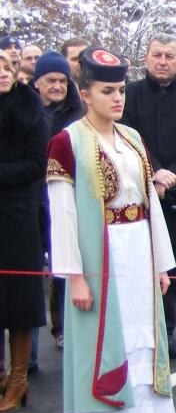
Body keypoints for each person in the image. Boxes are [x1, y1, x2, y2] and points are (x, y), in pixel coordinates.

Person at [46, 47, 176, 413]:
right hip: (101, 259)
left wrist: (161, 261)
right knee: (109, 348)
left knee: (142, 345)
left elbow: (149, 205)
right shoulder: (67, 142)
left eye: (121, 90)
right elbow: (63, 215)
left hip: (137, 251)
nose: (117, 98)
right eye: (107, 91)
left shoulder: (133, 138)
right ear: (85, 94)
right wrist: (74, 276)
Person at [121, 33, 176, 360]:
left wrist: (172, 175)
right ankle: (136, 337)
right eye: (157, 55)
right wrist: (154, 172)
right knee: (136, 272)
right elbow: (127, 137)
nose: (162, 61)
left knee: (171, 274)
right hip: (136, 197)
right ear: (146, 58)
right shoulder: (129, 94)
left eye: (169, 56)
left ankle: (166, 333)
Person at [0, 50, 47, 413]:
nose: (1, 73)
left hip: (18, 213)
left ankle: (18, 378)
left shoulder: (29, 108)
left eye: (5, 67)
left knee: (18, 299)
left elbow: (36, 163)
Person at [33, 51, 86, 352]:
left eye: (62, 80)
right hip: (31, 197)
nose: (57, 86)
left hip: (65, 196)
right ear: (37, 82)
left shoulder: (77, 114)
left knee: (64, 264)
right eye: (50, 80)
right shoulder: (26, 110)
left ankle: (66, 326)